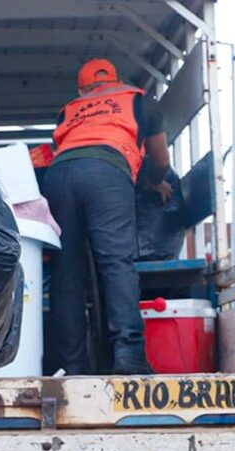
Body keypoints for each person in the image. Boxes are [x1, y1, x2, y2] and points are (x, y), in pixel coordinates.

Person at [45, 58, 170, 375]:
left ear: (82, 87)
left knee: (66, 272)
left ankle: (72, 366)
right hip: (106, 171)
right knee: (116, 263)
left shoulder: (70, 107)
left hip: (59, 175)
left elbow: (62, 147)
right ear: (116, 79)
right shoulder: (138, 99)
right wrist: (155, 182)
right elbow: (160, 157)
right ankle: (128, 356)